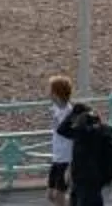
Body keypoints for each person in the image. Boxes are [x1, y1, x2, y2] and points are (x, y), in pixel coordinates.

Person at [58, 100, 112, 206]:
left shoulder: (82, 134)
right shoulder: (104, 131)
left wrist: (74, 113)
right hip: (90, 180)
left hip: (85, 180)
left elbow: (62, 129)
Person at [47, 74, 78, 202]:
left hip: (66, 159)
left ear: (57, 93)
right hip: (57, 157)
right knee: (50, 195)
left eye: (51, 90)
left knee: (60, 195)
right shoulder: (55, 109)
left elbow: (73, 136)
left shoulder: (69, 113)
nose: (49, 93)